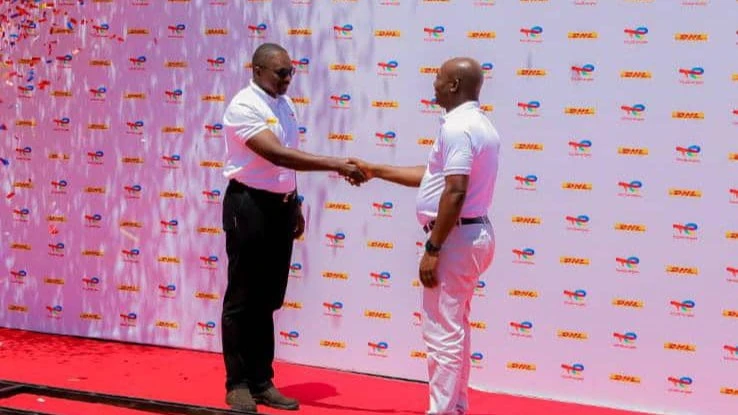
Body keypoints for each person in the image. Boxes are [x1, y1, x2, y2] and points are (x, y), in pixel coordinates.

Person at [348, 57, 500, 415]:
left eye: (438, 77)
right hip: (470, 235)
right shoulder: (476, 124)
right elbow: (436, 178)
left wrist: (434, 248)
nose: (432, 83)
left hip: (455, 239)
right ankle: (456, 407)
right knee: (454, 328)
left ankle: (444, 410)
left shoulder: (458, 128)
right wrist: (377, 170)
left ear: (453, 86)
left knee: (442, 335)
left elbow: (455, 191)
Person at [220, 42, 365, 412]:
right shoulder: (244, 106)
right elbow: (276, 153)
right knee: (242, 299)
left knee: (268, 300)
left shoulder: (284, 104)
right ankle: (237, 384)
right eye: (280, 72)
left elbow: (287, 164)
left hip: (280, 209)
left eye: (291, 72)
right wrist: (337, 164)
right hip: (248, 206)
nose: (287, 79)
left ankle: (261, 381)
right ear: (256, 70)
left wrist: (296, 201)